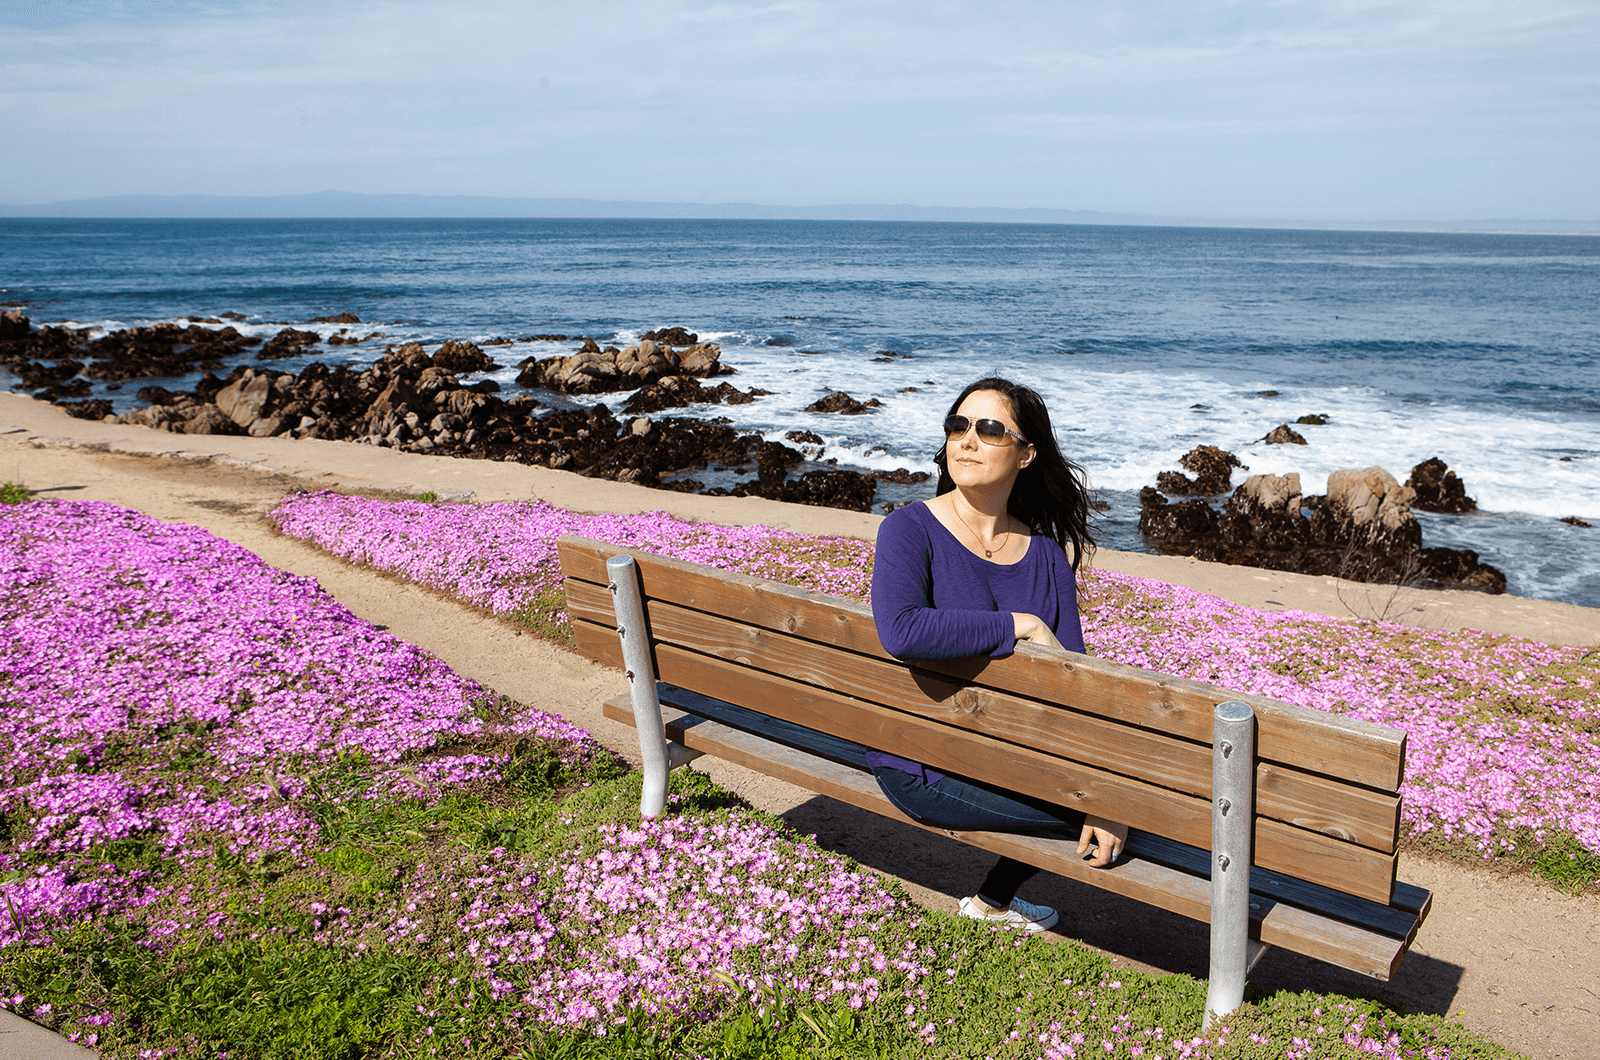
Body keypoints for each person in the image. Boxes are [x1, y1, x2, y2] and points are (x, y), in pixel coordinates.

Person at [868, 376, 1128, 933]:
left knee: (1113, 807)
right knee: (1131, 816)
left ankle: (992, 901)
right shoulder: (909, 529)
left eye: (988, 429)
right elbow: (902, 630)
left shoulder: (1046, 555)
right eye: (957, 426)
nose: (966, 440)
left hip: (1008, 756)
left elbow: (1072, 680)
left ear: (1027, 454)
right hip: (925, 764)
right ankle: (993, 900)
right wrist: (1021, 624)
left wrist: (1104, 791)